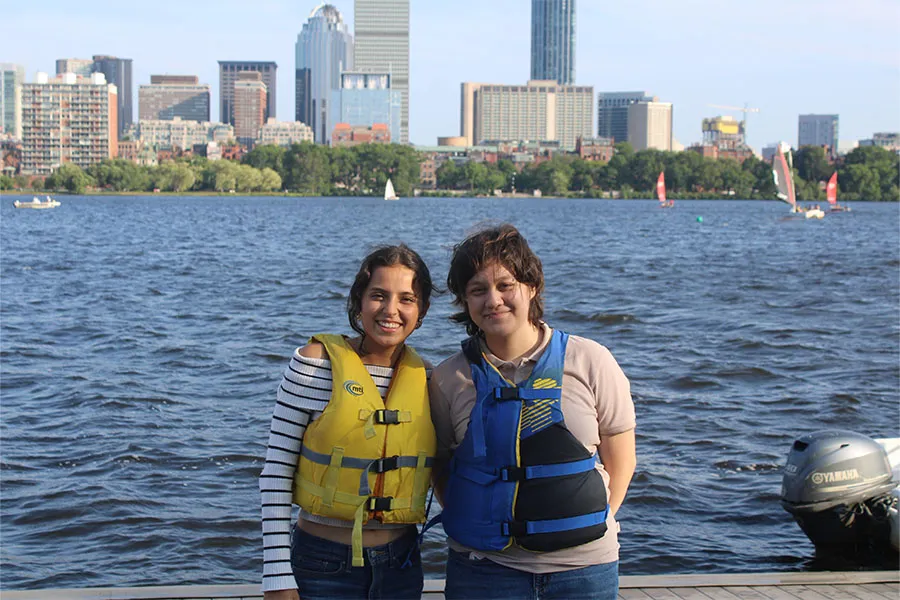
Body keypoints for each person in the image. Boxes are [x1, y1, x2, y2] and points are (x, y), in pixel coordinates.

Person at [429, 224, 637, 600]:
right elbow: (441, 466)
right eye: (478, 290)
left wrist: (599, 518)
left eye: (505, 285)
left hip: (584, 572)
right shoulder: (447, 378)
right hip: (483, 571)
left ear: (532, 286)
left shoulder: (590, 360)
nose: (493, 300)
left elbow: (621, 458)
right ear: (464, 301)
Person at [259, 244, 437, 600]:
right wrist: (277, 576)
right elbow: (276, 470)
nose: (391, 310)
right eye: (378, 296)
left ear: (422, 309)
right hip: (322, 564)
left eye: (406, 299)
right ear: (359, 300)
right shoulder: (313, 364)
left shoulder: (430, 379)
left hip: (401, 566)